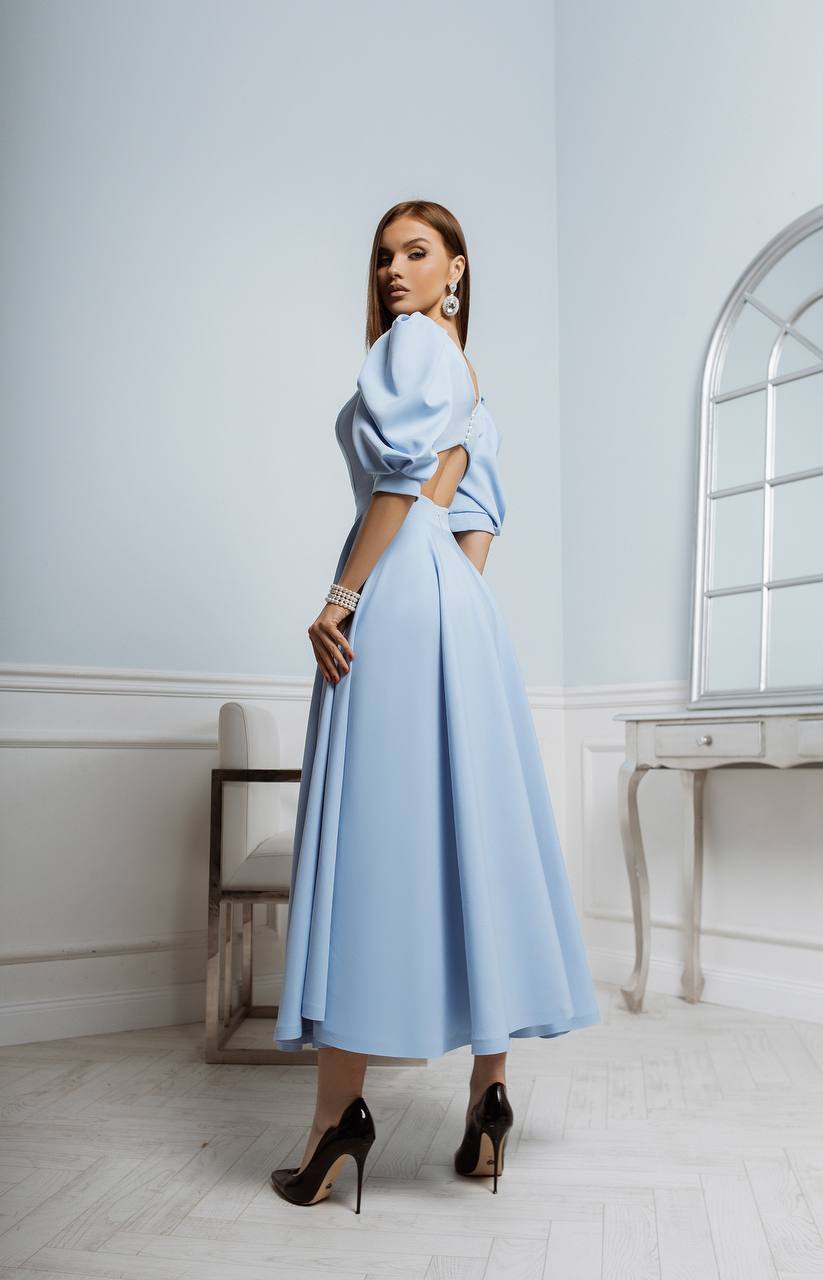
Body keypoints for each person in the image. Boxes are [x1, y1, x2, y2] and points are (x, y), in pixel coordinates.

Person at [270, 200, 601, 1213]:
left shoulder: (412, 345)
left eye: (416, 253)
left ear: (455, 267)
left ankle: (336, 1122)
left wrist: (345, 594)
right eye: (383, 257)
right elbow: (476, 519)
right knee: (471, 839)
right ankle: (488, 1094)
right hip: (462, 609)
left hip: (398, 594)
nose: (394, 272)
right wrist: (456, 621)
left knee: (379, 841)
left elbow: (402, 482)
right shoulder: (471, 379)